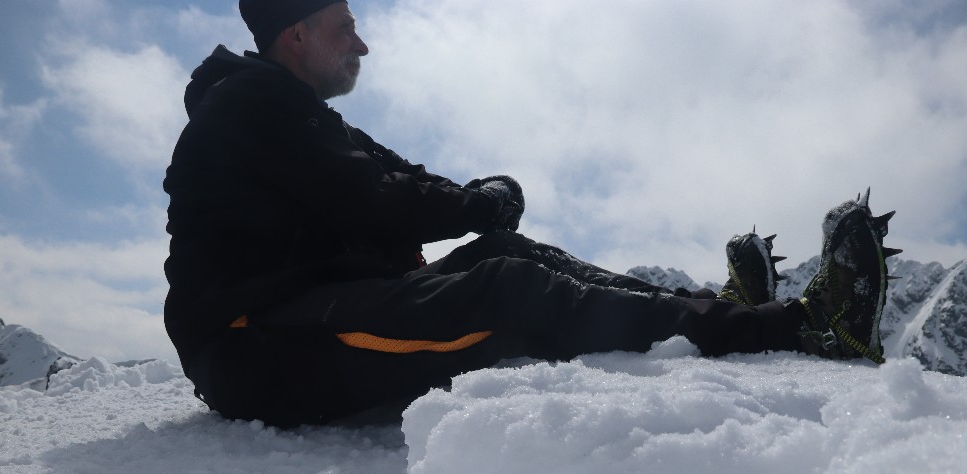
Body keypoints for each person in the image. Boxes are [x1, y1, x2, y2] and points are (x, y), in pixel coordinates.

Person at [163, 0, 898, 427]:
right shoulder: (252, 106)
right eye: (344, 27)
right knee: (507, 290)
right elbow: (374, 197)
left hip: (298, 316)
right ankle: (804, 327)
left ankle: (715, 313)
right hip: (255, 345)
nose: (361, 43)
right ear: (297, 36)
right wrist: (479, 204)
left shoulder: (296, 111)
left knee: (506, 259)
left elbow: (393, 173)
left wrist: (482, 199)